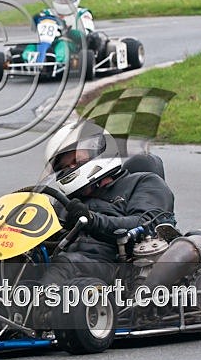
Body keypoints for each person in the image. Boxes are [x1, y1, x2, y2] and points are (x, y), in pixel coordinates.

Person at [38, 120, 176, 288]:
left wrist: (92, 220)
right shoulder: (67, 203)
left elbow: (146, 223)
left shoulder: (142, 183)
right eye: (65, 167)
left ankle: (38, 309)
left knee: (65, 264)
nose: (70, 169)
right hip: (69, 263)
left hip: (119, 267)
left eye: (75, 161)